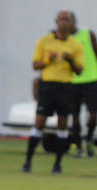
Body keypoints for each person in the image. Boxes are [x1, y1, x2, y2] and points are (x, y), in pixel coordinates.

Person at [23, 10, 83, 174]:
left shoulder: (75, 45)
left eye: (67, 20)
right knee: (39, 123)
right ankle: (27, 162)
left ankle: (57, 164)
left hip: (65, 87)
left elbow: (79, 70)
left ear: (72, 23)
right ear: (56, 21)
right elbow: (35, 65)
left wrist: (70, 60)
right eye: (61, 19)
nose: (64, 23)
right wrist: (48, 60)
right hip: (48, 86)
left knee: (62, 125)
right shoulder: (44, 42)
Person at [70, 14, 97, 157]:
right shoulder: (64, 40)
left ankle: (89, 140)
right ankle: (78, 146)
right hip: (73, 80)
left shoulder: (87, 34)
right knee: (75, 116)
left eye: (68, 21)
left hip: (90, 79)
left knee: (93, 114)